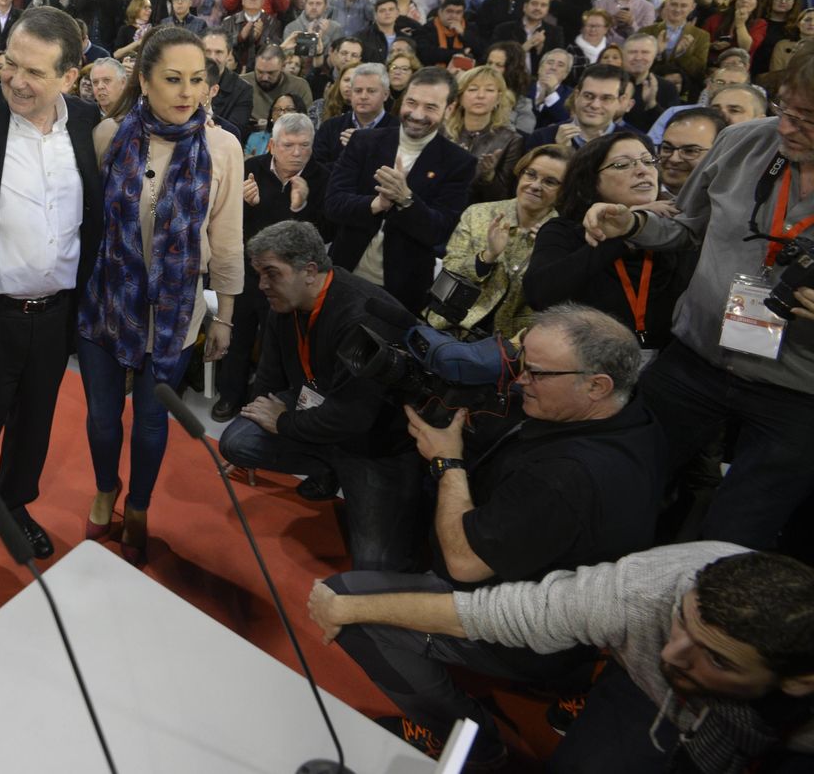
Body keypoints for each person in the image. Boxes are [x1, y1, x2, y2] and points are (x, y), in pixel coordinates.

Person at [317, 303, 664, 765]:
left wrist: (448, 463)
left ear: (597, 385)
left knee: (347, 603)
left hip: (522, 622)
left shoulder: (567, 476)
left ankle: (472, 743)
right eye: (520, 363)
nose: (520, 381)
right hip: (574, 603)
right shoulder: (632, 417)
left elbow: (463, 564)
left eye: (537, 373)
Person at [309, 544, 814, 772]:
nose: (671, 654)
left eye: (718, 659)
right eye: (682, 621)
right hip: (640, 700)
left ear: (798, 680)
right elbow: (491, 612)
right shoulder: (642, 592)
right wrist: (346, 607)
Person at [584, 59, 814, 552]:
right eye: (785, 110)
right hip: (696, 359)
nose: (788, 128)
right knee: (618, 479)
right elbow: (687, 226)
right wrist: (634, 226)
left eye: (807, 120)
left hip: (797, 392)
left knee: (736, 534)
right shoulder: (745, 141)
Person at [0, 6, 102, 591]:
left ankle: (13, 505)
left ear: (70, 77)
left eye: (35, 72)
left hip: (55, 316)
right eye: (10, 65)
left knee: (33, 429)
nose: (17, 82)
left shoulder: (88, 123)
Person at [78, 27, 242, 563]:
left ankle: (142, 505)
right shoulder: (108, 134)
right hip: (106, 304)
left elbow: (226, 238)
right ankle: (107, 488)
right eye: (173, 79)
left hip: (177, 314)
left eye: (197, 80)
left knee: (151, 422)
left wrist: (227, 315)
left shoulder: (223, 147)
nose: (186, 91)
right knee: (103, 417)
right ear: (144, 81)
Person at [217, 221, 422, 572]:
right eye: (259, 273)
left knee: (375, 568)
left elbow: (353, 418)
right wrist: (260, 411)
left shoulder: (362, 317)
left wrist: (282, 421)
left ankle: (345, 472)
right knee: (238, 440)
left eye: (271, 274)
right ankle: (327, 466)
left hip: (374, 444)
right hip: (321, 417)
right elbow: (268, 374)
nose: (262, 285)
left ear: (309, 271)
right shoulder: (286, 302)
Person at [324, 67, 477, 315]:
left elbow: (439, 230)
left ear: (449, 109)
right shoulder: (364, 142)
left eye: (430, 107)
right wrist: (377, 204)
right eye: (412, 102)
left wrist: (406, 199)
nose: (417, 114)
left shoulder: (458, 162)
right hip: (343, 276)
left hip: (402, 292)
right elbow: (333, 204)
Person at [527, 132, 692, 353]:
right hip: (586, 356)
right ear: (591, 180)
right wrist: (621, 236)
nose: (643, 170)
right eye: (622, 165)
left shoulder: (678, 231)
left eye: (648, 161)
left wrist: (641, 226)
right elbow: (540, 296)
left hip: (664, 364)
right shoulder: (565, 230)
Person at [214, 113, 325, 419]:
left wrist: (300, 207)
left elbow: (327, 235)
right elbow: (225, 222)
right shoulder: (251, 169)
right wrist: (242, 204)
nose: (297, 152)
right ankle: (230, 396)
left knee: (281, 345)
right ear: (273, 145)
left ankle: (265, 403)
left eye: (305, 145)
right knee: (238, 338)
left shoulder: (321, 177)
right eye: (289, 145)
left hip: (292, 282)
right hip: (250, 272)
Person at [429, 146, 570, 338]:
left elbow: (553, 305)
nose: (535, 185)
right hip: (450, 326)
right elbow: (450, 271)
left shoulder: (561, 237)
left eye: (550, 182)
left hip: (509, 345)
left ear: (564, 192)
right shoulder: (479, 213)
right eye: (530, 174)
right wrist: (487, 257)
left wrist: (545, 255)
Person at [446, 66, 523, 204]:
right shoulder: (442, 132)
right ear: (460, 97)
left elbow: (504, 198)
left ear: (498, 98)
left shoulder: (511, 140)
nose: (480, 96)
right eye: (473, 89)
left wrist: (489, 176)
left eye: (489, 90)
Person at [523, 62, 638, 150]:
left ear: (620, 101)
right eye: (588, 96)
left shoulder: (636, 144)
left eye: (606, 98)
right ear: (577, 95)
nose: (595, 105)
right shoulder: (541, 139)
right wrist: (560, 153)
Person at [655, 107, 724, 197]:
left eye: (689, 151)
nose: (674, 159)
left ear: (719, 153)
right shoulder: (635, 199)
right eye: (667, 148)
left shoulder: (733, 205)